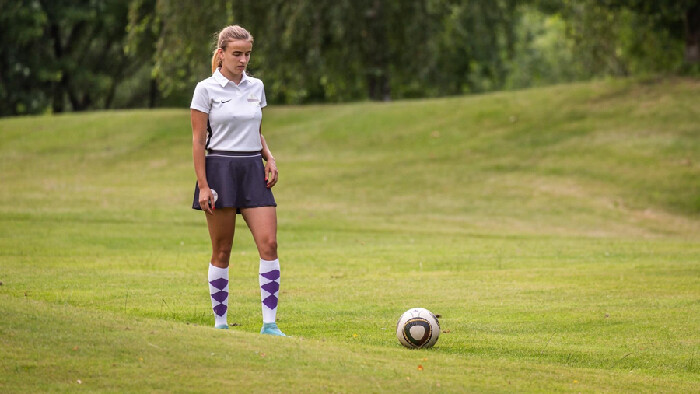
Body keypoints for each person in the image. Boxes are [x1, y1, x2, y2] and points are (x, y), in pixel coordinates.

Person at [190, 25, 285, 336]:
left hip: (252, 170)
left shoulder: (255, 87)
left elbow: (254, 130)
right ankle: (220, 325)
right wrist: (203, 185)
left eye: (247, 54)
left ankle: (269, 323)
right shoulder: (205, 89)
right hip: (219, 170)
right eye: (237, 54)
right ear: (221, 54)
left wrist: (268, 156)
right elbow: (197, 140)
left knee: (269, 244)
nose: (243, 60)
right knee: (223, 249)